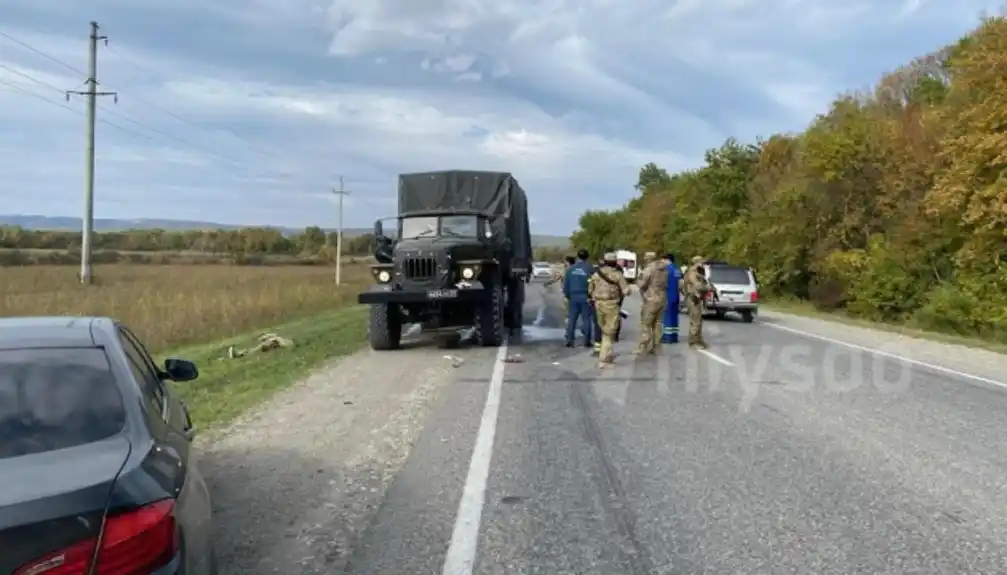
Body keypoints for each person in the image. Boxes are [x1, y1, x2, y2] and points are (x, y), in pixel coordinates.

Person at [588, 252, 630, 368]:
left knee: (603, 329)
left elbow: (590, 289)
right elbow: (626, 291)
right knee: (609, 332)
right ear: (615, 262)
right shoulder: (617, 275)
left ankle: (605, 355)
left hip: (598, 304)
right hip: (611, 305)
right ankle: (604, 359)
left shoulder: (596, 274)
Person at [634, 252, 669, 355]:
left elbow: (643, 284)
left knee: (646, 324)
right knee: (658, 324)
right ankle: (657, 347)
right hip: (662, 298)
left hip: (651, 299)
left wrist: (638, 281)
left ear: (648, 259)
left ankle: (642, 347)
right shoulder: (664, 269)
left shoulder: (649, 269)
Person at [563, 249, 594, 348]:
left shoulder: (571, 269)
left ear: (578, 257)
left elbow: (566, 285)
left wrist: (568, 296)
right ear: (587, 257)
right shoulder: (590, 268)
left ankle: (570, 340)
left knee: (572, 319)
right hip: (585, 296)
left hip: (573, 296)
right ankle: (586, 341)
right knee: (586, 319)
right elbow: (594, 283)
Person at [683, 255, 712, 349]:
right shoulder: (692, 272)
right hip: (693, 298)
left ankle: (699, 340)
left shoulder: (698, 272)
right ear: (697, 262)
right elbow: (697, 285)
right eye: (702, 262)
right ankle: (693, 342)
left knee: (698, 320)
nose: (703, 264)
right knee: (695, 321)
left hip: (697, 298)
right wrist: (708, 288)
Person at [661, 254, 682, 343]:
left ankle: (667, 337)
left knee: (667, 317)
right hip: (676, 296)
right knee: (674, 317)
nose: (662, 262)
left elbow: (663, 283)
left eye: (663, 260)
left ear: (667, 260)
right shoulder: (677, 269)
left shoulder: (667, 270)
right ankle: (674, 336)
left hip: (668, 296)